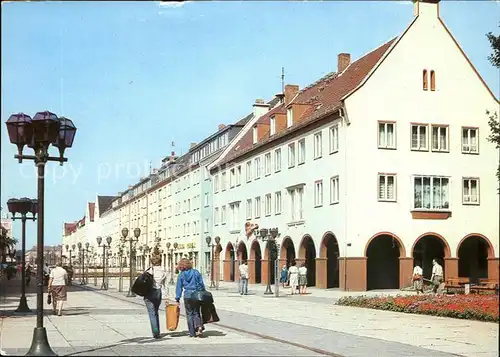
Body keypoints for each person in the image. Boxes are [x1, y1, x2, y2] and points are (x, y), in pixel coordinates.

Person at [175, 258, 205, 337]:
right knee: (197, 312)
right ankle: (199, 327)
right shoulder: (196, 272)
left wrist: (177, 298)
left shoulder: (181, 275)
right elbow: (201, 284)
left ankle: (192, 333)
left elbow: (179, 287)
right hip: (196, 294)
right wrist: (203, 292)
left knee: (189, 314)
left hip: (187, 295)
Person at [143, 251, 167, 339]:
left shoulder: (149, 270)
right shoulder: (163, 270)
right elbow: (164, 284)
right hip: (158, 292)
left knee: (152, 313)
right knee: (156, 312)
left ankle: (156, 332)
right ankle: (157, 331)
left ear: (152, 262)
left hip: (150, 292)